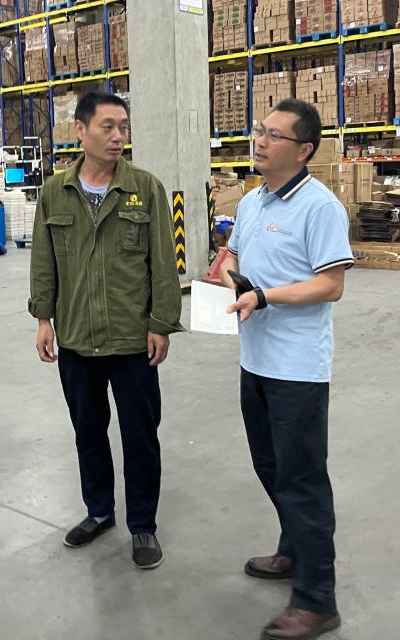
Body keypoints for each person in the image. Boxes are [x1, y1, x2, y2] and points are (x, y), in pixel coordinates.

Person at [28, 91, 182, 570]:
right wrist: (43, 319)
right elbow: (43, 261)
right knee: (88, 431)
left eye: (123, 127)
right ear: (80, 130)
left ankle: (143, 525)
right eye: (108, 127)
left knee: (140, 435)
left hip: (131, 338)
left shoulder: (146, 188)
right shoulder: (55, 191)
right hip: (76, 337)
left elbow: (163, 263)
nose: (118, 137)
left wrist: (161, 324)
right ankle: (98, 511)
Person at [219, 99, 353, 640]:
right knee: (271, 467)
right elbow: (231, 255)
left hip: (297, 369)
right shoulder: (252, 202)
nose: (260, 141)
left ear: (303, 151)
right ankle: (293, 549)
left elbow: (331, 284)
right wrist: (229, 275)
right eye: (260, 130)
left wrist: (265, 296)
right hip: (255, 360)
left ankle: (318, 601)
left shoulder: (320, 207)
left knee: (302, 480)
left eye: (274, 135)